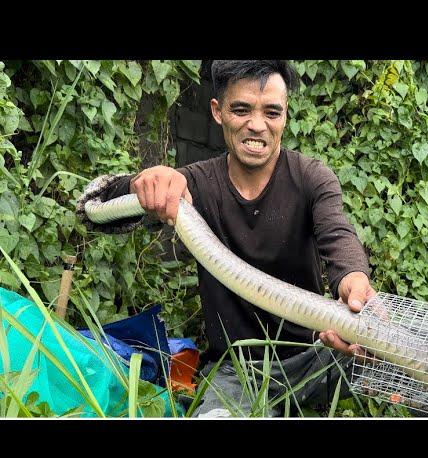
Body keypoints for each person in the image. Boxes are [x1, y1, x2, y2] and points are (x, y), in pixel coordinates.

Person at [77, 60, 375, 417]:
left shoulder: (312, 177)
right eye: (241, 109)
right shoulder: (194, 186)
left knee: (398, 361)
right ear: (218, 112)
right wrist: (145, 183)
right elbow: (93, 206)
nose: (257, 125)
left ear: (285, 116)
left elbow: (338, 233)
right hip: (237, 370)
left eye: (271, 112)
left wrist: (354, 280)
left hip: (316, 355)